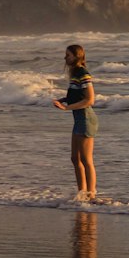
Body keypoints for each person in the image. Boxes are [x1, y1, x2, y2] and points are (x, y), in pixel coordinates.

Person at [52, 42, 98, 199]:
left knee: (86, 159)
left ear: (77, 56)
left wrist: (66, 108)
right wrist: (64, 99)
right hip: (78, 118)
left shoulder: (83, 73)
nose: (65, 58)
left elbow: (90, 100)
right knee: (75, 158)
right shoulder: (74, 74)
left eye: (68, 55)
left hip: (86, 118)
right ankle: (81, 193)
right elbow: (76, 95)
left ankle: (91, 195)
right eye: (65, 55)